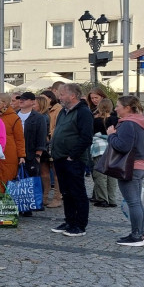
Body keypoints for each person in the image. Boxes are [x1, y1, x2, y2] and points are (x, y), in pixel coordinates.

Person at [49, 82, 94, 237]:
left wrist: (72, 156)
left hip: (73, 159)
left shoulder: (83, 112)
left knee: (77, 192)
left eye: (62, 94)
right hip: (59, 157)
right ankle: (69, 220)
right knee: (66, 192)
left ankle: (80, 225)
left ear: (72, 95)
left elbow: (86, 137)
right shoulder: (63, 111)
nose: (59, 97)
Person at [106, 95, 144, 246]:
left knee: (133, 203)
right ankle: (140, 233)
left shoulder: (127, 124)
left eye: (118, 106)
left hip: (129, 167)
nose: (115, 108)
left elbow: (123, 146)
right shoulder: (140, 122)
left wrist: (111, 136)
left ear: (127, 108)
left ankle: (137, 235)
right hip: (139, 165)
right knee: (136, 202)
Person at [16, 92, 48, 216]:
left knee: (30, 180)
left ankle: (29, 206)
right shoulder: (15, 115)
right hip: (16, 153)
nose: (21, 101)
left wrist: (38, 155)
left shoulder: (38, 118)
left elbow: (41, 137)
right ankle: (17, 204)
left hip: (31, 153)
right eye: (20, 99)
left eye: (24, 99)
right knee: (17, 179)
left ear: (32, 101)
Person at [91, 97, 120, 207]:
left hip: (99, 149)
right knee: (111, 174)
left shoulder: (96, 121)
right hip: (113, 148)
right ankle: (112, 199)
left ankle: (102, 199)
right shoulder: (115, 119)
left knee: (100, 174)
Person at [0, 93, 26, 187]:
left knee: (6, 179)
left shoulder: (14, 118)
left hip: (8, 154)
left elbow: (19, 139)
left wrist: (21, 155)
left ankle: (4, 201)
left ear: (4, 103)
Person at [42, 90, 63, 207]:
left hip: (53, 142)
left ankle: (57, 197)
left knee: (55, 172)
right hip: (44, 143)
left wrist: (49, 135)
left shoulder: (58, 109)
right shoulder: (43, 111)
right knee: (44, 171)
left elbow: (57, 126)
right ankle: (45, 196)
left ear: (50, 98)